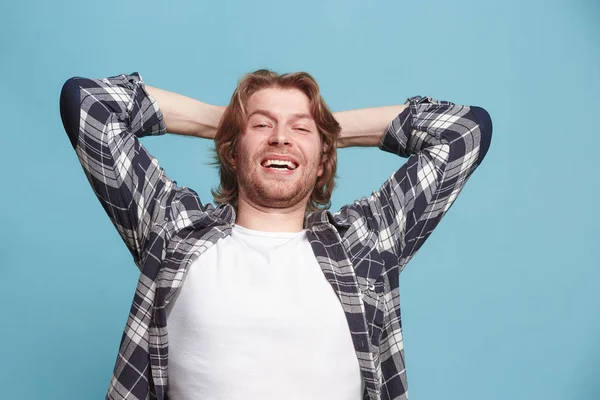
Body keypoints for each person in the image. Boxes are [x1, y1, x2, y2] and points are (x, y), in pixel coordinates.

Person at [59, 70, 492, 400]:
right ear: (231, 150)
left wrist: (326, 128)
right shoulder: (173, 228)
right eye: (262, 126)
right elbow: (89, 104)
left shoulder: (365, 241)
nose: (281, 137)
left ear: (323, 159)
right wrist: (229, 121)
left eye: (299, 129)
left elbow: (464, 132)